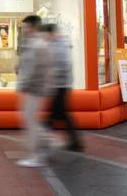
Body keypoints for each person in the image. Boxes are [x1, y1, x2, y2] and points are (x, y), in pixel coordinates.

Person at [40, 23, 83, 152]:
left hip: (61, 85)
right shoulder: (57, 44)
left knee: (59, 114)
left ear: (51, 33)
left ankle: (43, 141)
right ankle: (74, 142)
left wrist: (52, 77)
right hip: (59, 85)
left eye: (46, 35)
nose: (45, 38)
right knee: (59, 114)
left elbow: (63, 65)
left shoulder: (60, 45)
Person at [16, 15, 51, 168]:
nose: (23, 30)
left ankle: (36, 156)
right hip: (31, 88)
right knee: (30, 120)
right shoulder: (32, 43)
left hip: (34, 89)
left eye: (26, 27)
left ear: (33, 27)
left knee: (30, 121)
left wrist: (27, 84)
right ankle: (47, 144)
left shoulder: (39, 44)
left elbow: (40, 69)